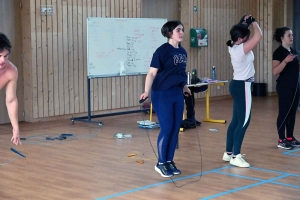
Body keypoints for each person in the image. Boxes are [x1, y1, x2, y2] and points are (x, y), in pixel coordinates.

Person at [140, 20, 191, 177]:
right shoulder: (162, 51)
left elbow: (179, 72)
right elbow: (152, 73)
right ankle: (161, 163)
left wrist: (185, 87)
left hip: (176, 93)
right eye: (178, 30)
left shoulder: (182, 52)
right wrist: (146, 91)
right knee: (167, 128)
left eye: (182, 29)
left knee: (175, 128)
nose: (181, 32)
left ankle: (169, 161)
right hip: (162, 94)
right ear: (169, 33)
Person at [222, 15, 262, 167]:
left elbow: (239, 31)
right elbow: (259, 35)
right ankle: (236, 156)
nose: (248, 39)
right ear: (240, 40)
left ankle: (228, 153)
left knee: (236, 120)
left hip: (238, 85)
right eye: (245, 37)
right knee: (244, 121)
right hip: (243, 86)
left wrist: (243, 22)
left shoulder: (233, 44)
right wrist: (253, 22)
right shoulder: (240, 49)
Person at [272, 27, 300, 150]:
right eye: (289, 35)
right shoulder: (278, 52)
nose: (291, 37)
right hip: (284, 86)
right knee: (284, 112)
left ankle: (290, 137)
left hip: (295, 86)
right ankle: (281, 139)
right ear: (282, 38)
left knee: (292, 113)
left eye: (292, 35)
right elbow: (275, 71)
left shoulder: (293, 50)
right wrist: (286, 61)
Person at [0, 32, 21, 145]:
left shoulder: (11, 71)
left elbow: (11, 100)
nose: (2, 60)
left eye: (5, 56)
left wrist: (15, 128)